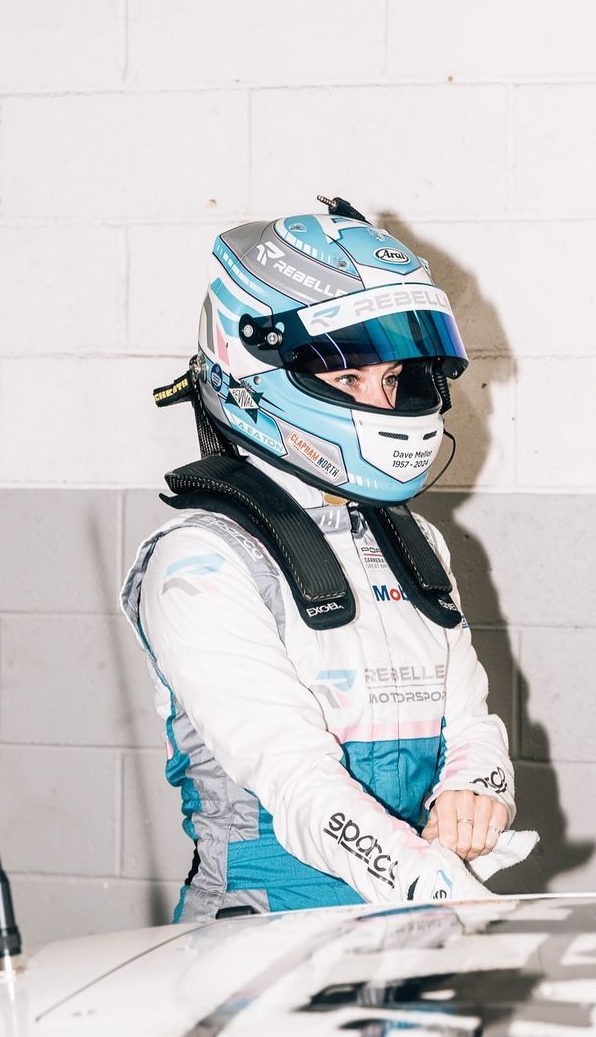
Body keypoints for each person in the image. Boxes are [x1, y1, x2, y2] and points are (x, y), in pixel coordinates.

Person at [120, 198, 524, 919]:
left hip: (411, 917)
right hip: (266, 934)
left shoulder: (414, 542)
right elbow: (296, 780)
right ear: (255, 377)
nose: (382, 400)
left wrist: (479, 787)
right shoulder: (199, 562)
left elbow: (470, 723)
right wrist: (443, 893)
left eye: (393, 379)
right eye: (348, 380)